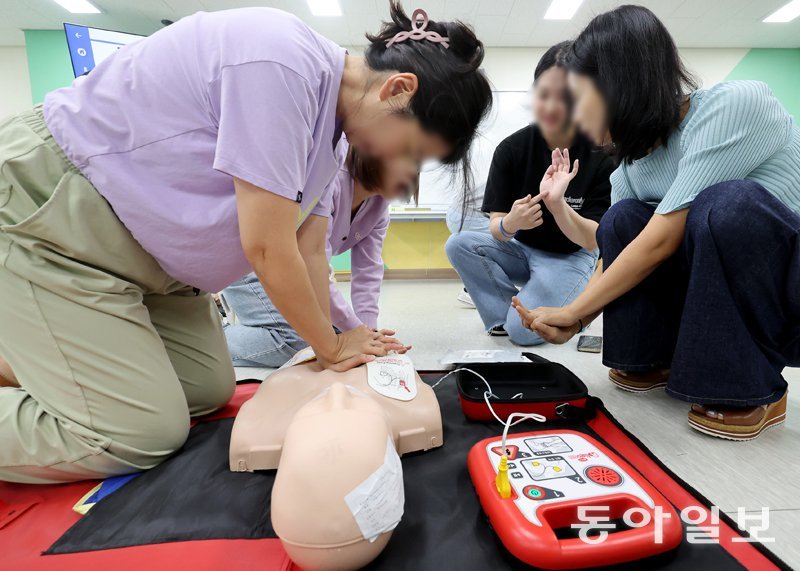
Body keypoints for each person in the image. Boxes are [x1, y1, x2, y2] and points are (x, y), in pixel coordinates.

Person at [0, 3, 493, 483]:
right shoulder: (279, 60)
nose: (398, 163)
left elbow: (310, 252)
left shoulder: (333, 137)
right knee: (138, 434)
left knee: (208, 388)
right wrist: (332, 345)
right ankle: (49, 368)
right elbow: (267, 247)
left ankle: (48, 366)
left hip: (152, 268)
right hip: (56, 217)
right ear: (397, 89)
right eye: (410, 149)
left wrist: (354, 335)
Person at [514, 5, 800, 440]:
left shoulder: (733, 106)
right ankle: (652, 358)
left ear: (618, 86)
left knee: (725, 203)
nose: (575, 118)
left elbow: (662, 239)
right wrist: (578, 317)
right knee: (624, 218)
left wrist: (576, 311)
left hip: (786, 300)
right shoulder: (631, 167)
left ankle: (753, 385)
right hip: (719, 299)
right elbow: (616, 245)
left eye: (579, 98)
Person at [446, 42, 614, 345]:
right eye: (543, 94)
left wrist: (558, 204)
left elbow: (594, 240)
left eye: (564, 97)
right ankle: (503, 317)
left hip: (570, 257)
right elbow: (497, 228)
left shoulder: (600, 153)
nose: (550, 107)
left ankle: (548, 310)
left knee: (524, 333)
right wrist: (511, 223)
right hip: (522, 250)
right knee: (459, 243)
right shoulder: (511, 149)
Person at [223, 142, 419, 368]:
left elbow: (368, 273)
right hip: (252, 262)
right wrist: (356, 332)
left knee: (331, 332)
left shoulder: (379, 206)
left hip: (292, 269)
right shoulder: (332, 182)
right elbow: (311, 264)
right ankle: (213, 339)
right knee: (302, 340)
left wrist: (368, 334)